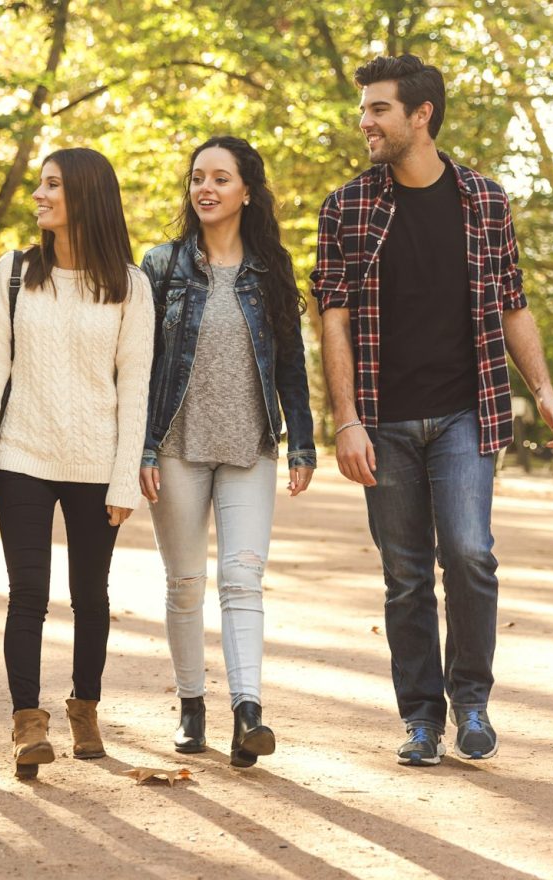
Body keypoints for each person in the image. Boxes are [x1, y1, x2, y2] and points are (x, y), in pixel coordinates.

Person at [312, 55, 553, 766]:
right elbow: (332, 317)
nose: (364, 120)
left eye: (378, 109)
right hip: (383, 418)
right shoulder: (347, 206)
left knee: (469, 554)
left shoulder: (485, 202)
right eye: (364, 108)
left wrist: (544, 389)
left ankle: (473, 703)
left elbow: (512, 302)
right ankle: (422, 719)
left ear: (420, 115)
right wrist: (345, 418)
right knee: (405, 573)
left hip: (466, 412)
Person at [0, 148, 154, 779]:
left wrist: (126, 475)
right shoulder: (15, 272)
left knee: (90, 596)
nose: (39, 195)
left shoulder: (130, 286)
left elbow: (136, 387)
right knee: (27, 594)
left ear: (86, 198)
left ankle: (86, 708)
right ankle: (26, 724)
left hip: (99, 463)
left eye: (51, 186)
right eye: (39, 184)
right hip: (23, 454)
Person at [138, 136, 316, 768]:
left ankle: (248, 710)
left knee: (243, 581)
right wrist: (142, 449)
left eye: (220, 178)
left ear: (247, 190)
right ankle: (192, 704)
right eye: (197, 179)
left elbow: (290, 360)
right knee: (186, 584)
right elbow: (139, 366)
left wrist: (303, 440)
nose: (205, 188)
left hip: (251, 445)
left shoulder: (272, 268)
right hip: (177, 446)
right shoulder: (160, 266)